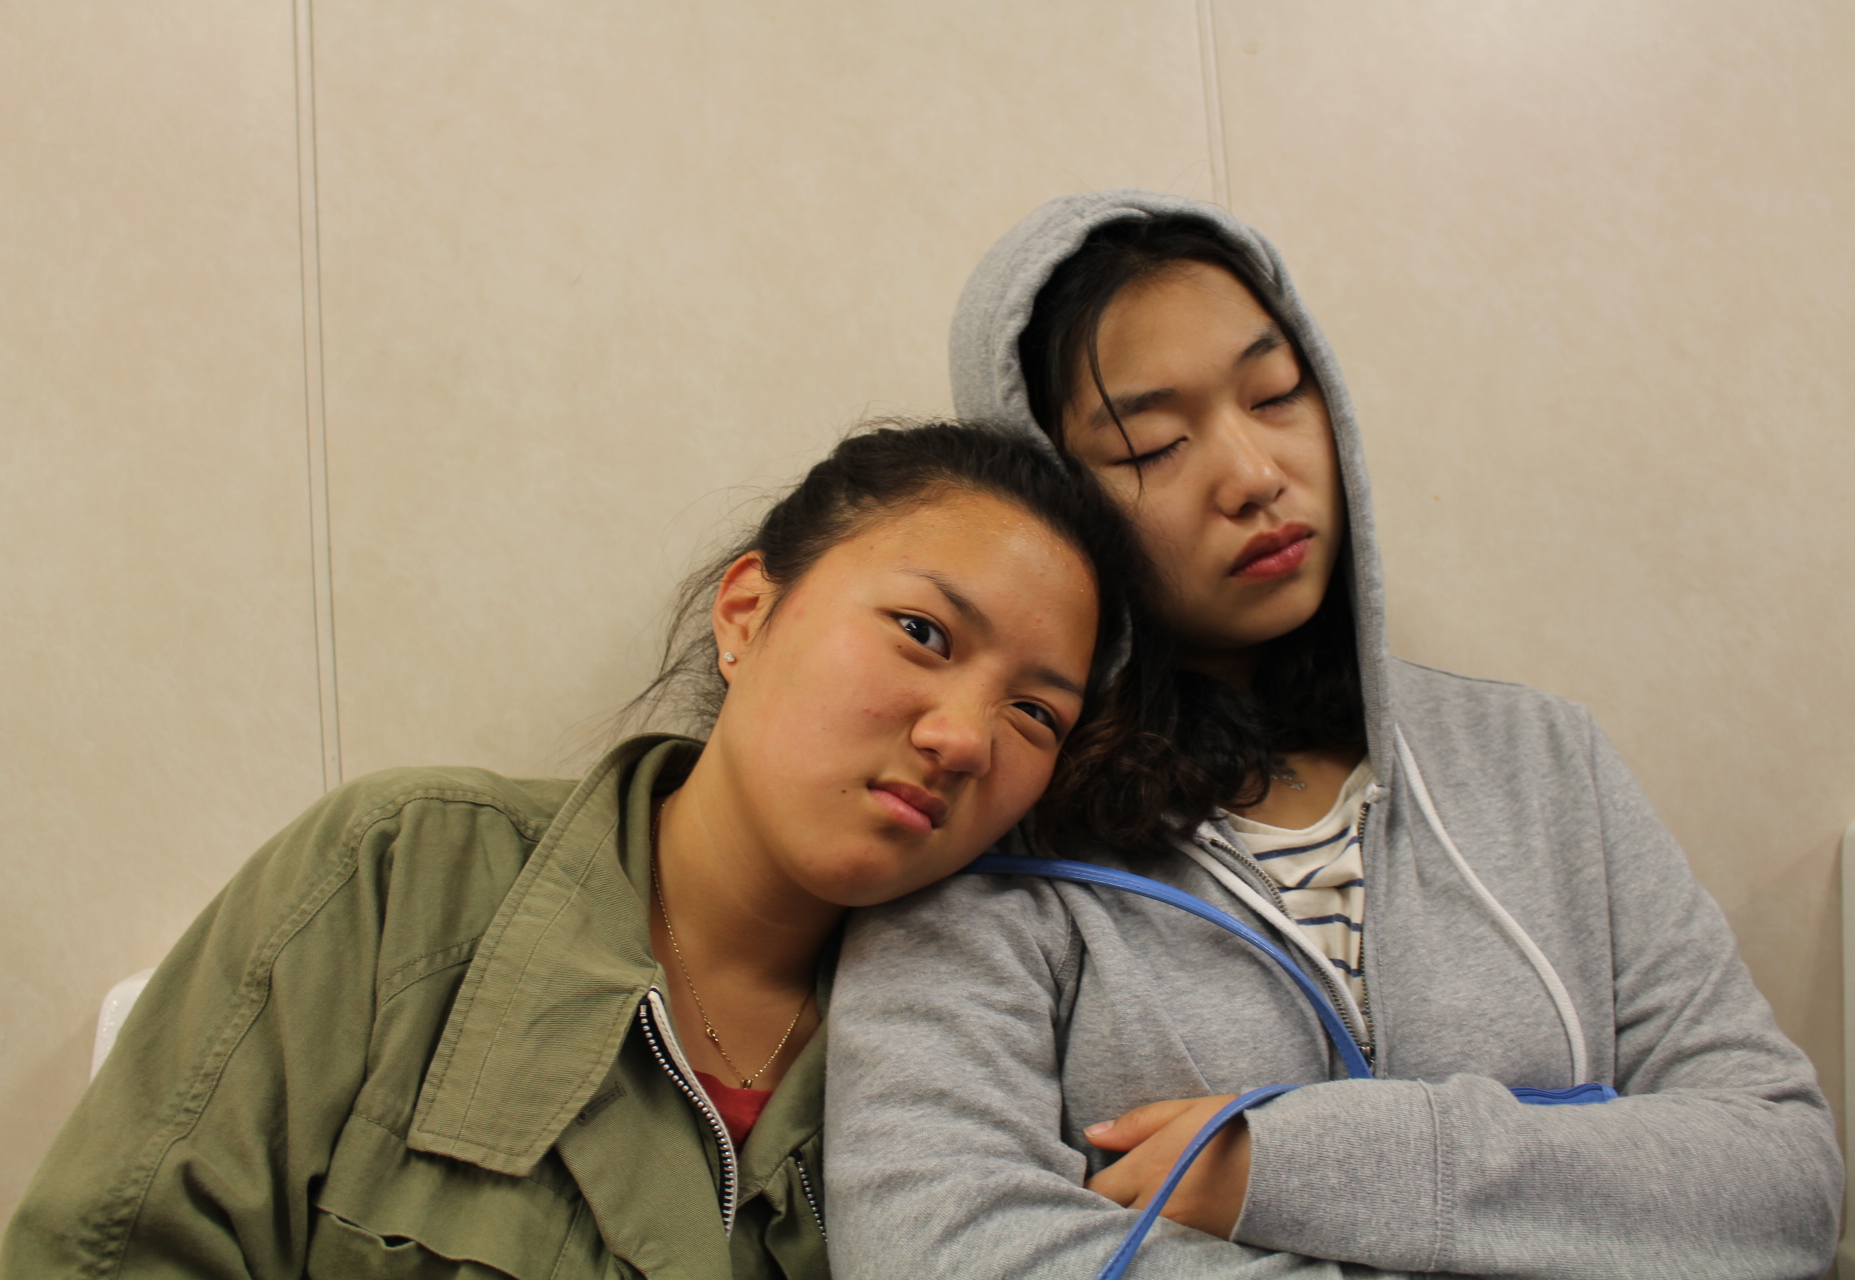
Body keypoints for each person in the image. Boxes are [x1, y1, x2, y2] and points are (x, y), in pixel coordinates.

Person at [824, 192, 1843, 1278]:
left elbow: (1782, 1180)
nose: (1254, 474)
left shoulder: (1544, 761)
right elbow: (928, 1241)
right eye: (1152, 444)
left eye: (1276, 394)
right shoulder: (993, 817)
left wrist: (1302, 1162)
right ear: (1054, 494)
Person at [0, 420, 1150, 1280]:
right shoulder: (402, 873)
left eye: (1034, 712)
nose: (962, 737)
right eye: (922, 631)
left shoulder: (993, 1046)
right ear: (747, 611)